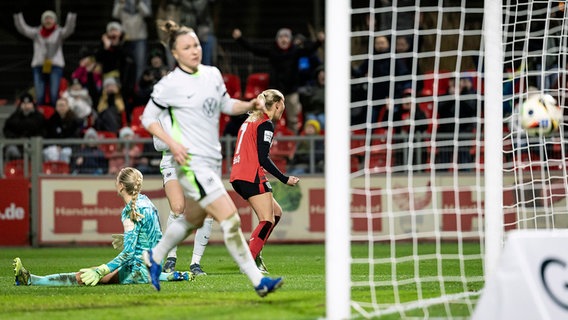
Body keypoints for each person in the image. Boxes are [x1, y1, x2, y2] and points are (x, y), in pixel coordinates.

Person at [140, 20, 284, 296]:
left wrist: (247, 104)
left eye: (196, 44)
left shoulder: (212, 74)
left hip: (209, 160)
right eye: (187, 46)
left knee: (191, 218)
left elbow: (226, 104)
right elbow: (147, 119)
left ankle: (154, 257)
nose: (194, 50)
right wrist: (172, 143)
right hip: (189, 164)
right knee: (229, 218)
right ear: (176, 53)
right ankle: (258, 281)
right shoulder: (168, 85)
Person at [13, 167, 193, 286]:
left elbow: (129, 253)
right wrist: (130, 240)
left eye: (117, 180)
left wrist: (101, 269)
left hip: (137, 270)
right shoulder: (147, 203)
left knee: (83, 276)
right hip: (153, 267)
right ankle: (170, 276)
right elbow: (156, 237)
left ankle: (31, 280)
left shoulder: (129, 212)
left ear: (121, 186)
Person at [229, 89, 300, 273]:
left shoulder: (250, 119)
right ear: (277, 104)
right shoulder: (265, 123)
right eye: (282, 105)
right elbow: (263, 157)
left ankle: (256, 252)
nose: (283, 109)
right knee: (267, 220)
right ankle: (249, 261)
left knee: (276, 213)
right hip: (250, 174)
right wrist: (284, 179)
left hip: (239, 173)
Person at [232, 27, 325, 133]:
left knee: (293, 119)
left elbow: (310, 50)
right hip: (274, 92)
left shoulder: (295, 51)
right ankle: (270, 139)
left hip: (291, 91)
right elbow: (254, 49)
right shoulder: (273, 51)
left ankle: (293, 141)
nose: (284, 39)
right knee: (270, 117)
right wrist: (239, 39)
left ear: (290, 40)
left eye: (286, 37)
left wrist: (318, 41)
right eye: (281, 37)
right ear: (277, 39)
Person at [13, 10, 77, 106]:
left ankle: (54, 116)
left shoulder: (59, 32)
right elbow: (23, 29)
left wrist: (71, 15)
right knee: (39, 94)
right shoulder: (36, 32)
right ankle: (41, 116)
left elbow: (69, 29)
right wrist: (17, 15)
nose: (48, 21)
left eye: (50, 18)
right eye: (46, 18)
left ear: (54, 21)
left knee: (54, 94)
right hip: (39, 65)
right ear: (42, 21)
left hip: (55, 66)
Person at [112, 0, 152, 83]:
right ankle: (126, 89)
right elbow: (115, 14)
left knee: (140, 66)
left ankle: (138, 88)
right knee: (125, 66)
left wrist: (138, 3)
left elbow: (147, 13)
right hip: (126, 38)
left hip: (140, 37)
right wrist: (120, 3)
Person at [3, 93, 46, 160]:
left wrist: (32, 139)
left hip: (34, 145)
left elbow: (43, 131)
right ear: (21, 105)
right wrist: (16, 139)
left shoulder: (39, 117)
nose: (26, 106)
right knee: (11, 150)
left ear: (32, 104)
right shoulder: (14, 116)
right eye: (24, 103)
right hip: (17, 145)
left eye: (28, 103)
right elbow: (7, 130)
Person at [43, 97, 82, 163]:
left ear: (68, 107)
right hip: (55, 146)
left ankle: (64, 172)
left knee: (65, 152)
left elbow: (75, 137)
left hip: (70, 146)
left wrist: (62, 146)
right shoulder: (52, 120)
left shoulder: (75, 120)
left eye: (62, 105)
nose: (61, 107)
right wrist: (56, 146)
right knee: (50, 151)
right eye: (58, 105)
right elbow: (49, 136)